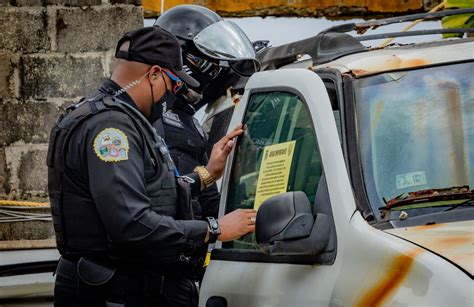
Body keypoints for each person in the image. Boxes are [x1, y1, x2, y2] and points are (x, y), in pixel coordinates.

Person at [47, 26, 256, 307]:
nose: (173, 94)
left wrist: (207, 174)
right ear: (154, 74)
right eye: (174, 84)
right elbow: (132, 223)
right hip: (114, 293)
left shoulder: (116, 116)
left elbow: (151, 189)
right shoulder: (111, 129)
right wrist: (215, 229)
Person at [152, 5, 261, 283]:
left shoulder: (187, 118)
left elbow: (202, 197)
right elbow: (162, 208)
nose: (217, 73)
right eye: (210, 64)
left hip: (186, 266)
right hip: (162, 271)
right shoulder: (154, 120)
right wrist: (216, 227)